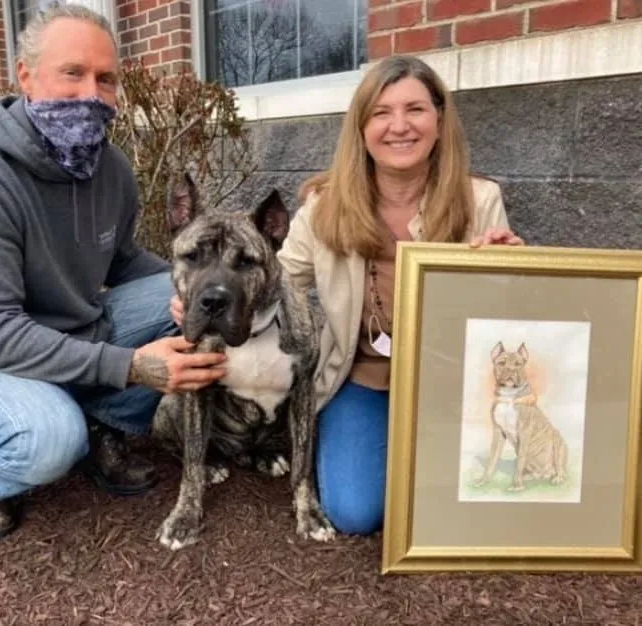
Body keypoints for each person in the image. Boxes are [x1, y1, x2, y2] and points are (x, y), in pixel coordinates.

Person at [171, 54, 524, 536]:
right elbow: (278, 278)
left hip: (448, 381)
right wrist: (210, 302)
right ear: (361, 127)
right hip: (361, 378)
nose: (399, 126)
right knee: (354, 512)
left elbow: (508, 317)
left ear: (440, 120)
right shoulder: (325, 207)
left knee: (475, 492)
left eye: (415, 109)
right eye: (381, 113)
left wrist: (512, 272)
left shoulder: (480, 201)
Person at [0, 5, 226, 541]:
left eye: (106, 79)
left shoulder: (112, 169)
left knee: (191, 300)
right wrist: (131, 367)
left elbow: (122, 261)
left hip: (67, 330)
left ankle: (103, 424)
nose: (90, 94)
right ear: (26, 76)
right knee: (51, 439)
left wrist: (186, 294)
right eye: (72, 73)